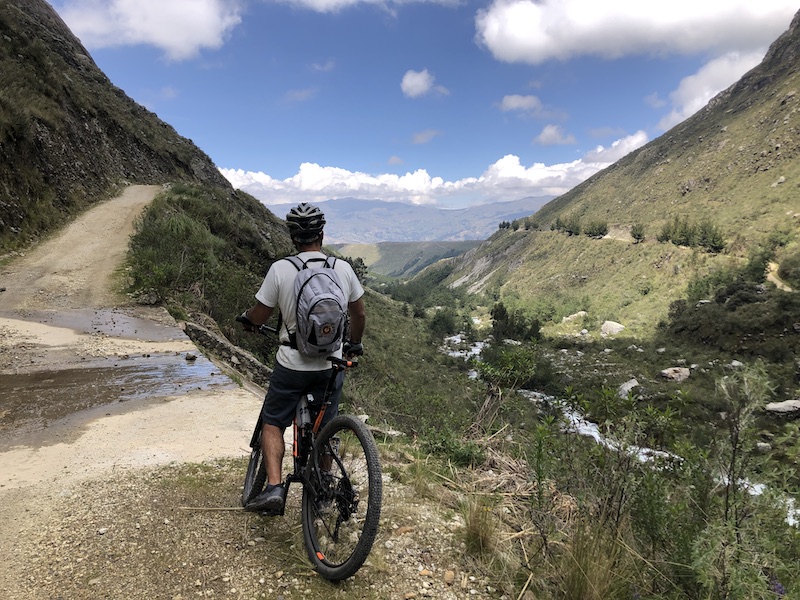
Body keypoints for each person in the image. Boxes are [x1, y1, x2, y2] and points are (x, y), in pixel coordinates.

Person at [239, 203, 366, 513]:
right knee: (326, 428)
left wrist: (249, 321)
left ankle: (273, 489)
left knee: (272, 423)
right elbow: (359, 313)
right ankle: (323, 492)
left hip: (291, 365)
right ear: (321, 234)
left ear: (293, 237)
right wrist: (353, 344)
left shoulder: (281, 270)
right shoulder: (342, 269)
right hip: (330, 365)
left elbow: (260, 313)